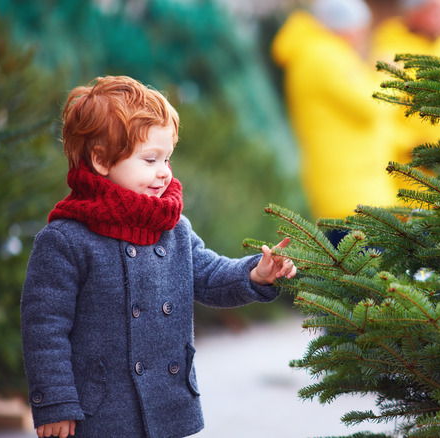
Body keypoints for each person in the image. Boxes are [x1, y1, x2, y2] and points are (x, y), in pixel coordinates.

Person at [20, 75, 297, 438]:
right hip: (100, 412)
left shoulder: (173, 227)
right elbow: (44, 328)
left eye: (167, 158)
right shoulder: (66, 240)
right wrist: (55, 402)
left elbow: (209, 274)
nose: (164, 171)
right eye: (150, 159)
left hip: (167, 405)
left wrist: (254, 275)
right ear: (101, 160)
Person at [271, 0, 400, 225]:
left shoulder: (322, 53)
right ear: (346, 28)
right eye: (361, 29)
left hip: (356, 189)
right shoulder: (323, 56)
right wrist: (391, 74)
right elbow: (373, 104)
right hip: (351, 194)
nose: (362, 38)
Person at [371, 0, 440, 172]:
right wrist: (412, 146)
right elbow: (378, 110)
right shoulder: (390, 54)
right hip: (412, 171)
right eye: (437, 11)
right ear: (413, 13)